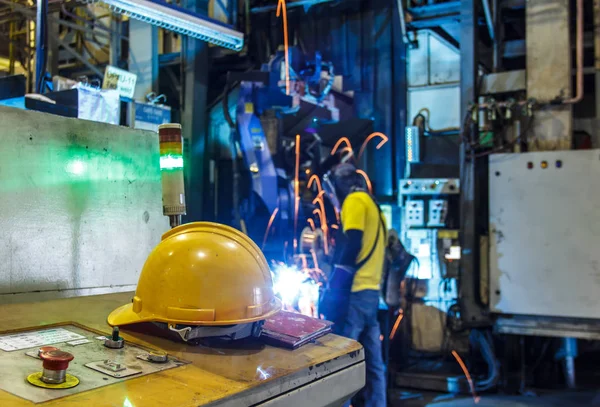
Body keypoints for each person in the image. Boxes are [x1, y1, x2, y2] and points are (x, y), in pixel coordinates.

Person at [320, 163, 387, 407]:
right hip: (371, 293)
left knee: (340, 359)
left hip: (356, 293)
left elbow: (353, 243)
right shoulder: (374, 206)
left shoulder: (355, 202)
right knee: (373, 361)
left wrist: (334, 287)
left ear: (340, 185)